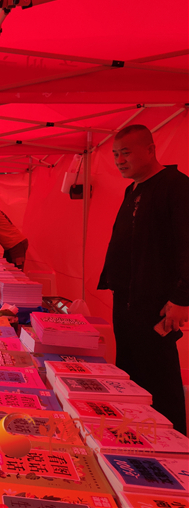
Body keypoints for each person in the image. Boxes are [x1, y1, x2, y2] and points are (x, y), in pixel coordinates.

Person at [98, 124, 188, 435]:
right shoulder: (133, 189)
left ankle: (172, 440)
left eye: (125, 153)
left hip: (157, 303)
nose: (119, 161)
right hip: (126, 297)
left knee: (159, 375)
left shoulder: (176, 186)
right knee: (129, 370)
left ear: (150, 150)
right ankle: (134, 433)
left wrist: (181, 298)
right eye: (115, 155)